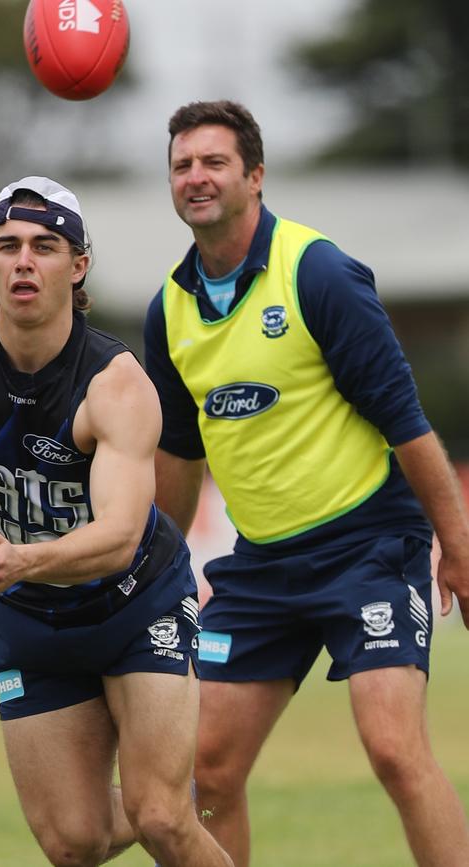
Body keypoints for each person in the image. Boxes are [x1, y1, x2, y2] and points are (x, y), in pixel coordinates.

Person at [144, 100, 469, 867]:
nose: (197, 177)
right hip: (261, 567)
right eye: (183, 164)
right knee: (209, 769)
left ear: (255, 177)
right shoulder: (169, 312)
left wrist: (455, 543)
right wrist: (153, 576)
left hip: (370, 545)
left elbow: (406, 421)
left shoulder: (315, 270)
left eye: (214, 162)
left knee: (393, 747)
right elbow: (179, 457)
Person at [0, 176, 234, 867]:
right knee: (73, 842)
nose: (24, 261)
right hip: (30, 619)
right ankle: (166, 784)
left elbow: (120, 536)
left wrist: (18, 560)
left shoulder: (117, 384)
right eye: (6, 245)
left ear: (79, 265)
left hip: (135, 602)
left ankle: (166, 793)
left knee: (160, 817)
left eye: (45, 245)